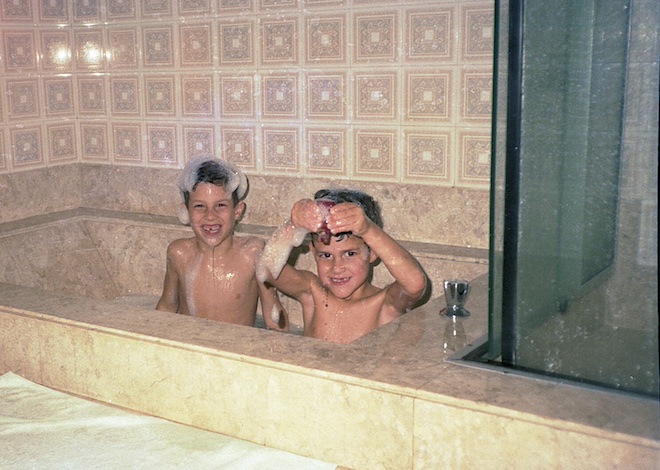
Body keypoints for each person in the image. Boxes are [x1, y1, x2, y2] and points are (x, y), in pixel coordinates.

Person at [257, 189, 427, 344]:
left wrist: (368, 230)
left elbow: (415, 283)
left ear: (373, 253)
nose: (337, 267)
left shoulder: (385, 305)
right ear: (314, 253)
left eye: (350, 254)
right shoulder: (313, 294)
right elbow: (267, 269)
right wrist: (292, 227)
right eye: (326, 255)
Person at [156, 156, 288, 331]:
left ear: (237, 211)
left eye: (220, 205)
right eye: (200, 206)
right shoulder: (179, 253)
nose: (210, 215)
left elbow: (274, 318)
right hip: (189, 344)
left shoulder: (252, 254)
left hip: (236, 346)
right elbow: (167, 307)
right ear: (186, 211)